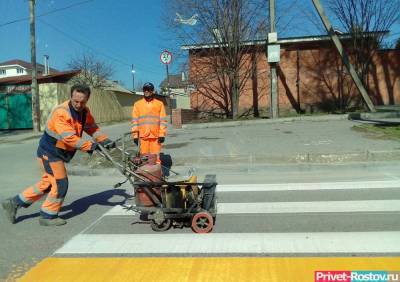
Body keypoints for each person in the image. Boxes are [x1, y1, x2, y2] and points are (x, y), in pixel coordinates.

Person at [1, 84, 115, 226]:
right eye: (76, 101)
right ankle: (48, 216)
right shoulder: (61, 112)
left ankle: (13, 203)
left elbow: (91, 127)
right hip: (50, 152)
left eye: (82, 102)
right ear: (71, 97)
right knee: (61, 183)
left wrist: (104, 140)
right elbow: (69, 137)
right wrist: (91, 146)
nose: (79, 105)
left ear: (87, 100)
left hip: (58, 153)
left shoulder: (84, 112)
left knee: (48, 183)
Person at [131, 82, 167, 163]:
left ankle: (157, 174)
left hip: (155, 136)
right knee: (144, 158)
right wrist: (135, 136)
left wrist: (162, 134)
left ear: (152, 91)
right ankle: (145, 175)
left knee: (156, 158)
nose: (146, 91)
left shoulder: (159, 104)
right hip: (143, 136)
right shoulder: (137, 104)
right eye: (145, 89)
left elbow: (163, 121)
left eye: (149, 89)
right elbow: (134, 121)